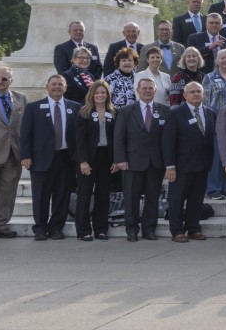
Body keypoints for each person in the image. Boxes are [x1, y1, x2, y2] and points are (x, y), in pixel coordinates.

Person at [19, 75, 79, 241]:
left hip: (66, 158)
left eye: (60, 84)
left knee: (62, 196)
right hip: (41, 159)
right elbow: (25, 134)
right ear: (47, 87)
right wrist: (25, 155)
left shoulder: (75, 107)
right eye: (54, 84)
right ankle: (40, 228)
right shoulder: (34, 107)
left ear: (65, 88)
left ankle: (56, 228)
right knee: (41, 196)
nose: (57, 87)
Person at [114, 77, 167, 241]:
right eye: (144, 88)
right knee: (131, 198)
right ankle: (131, 229)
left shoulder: (164, 110)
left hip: (155, 162)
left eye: (150, 88)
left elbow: (166, 138)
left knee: (152, 197)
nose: (147, 91)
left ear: (155, 91)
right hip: (132, 161)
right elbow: (118, 137)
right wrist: (120, 159)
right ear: (137, 91)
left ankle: (149, 229)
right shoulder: (126, 111)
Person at [162, 82, 215, 242]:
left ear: (203, 94)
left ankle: (194, 228)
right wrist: (170, 165)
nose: (196, 94)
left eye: (198, 91)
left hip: (202, 165)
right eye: (192, 92)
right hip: (181, 165)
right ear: (185, 95)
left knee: (196, 199)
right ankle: (177, 231)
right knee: (177, 199)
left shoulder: (210, 113)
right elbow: (168, 141)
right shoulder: (176, 113)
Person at [73, 81, 117, 241]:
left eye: (103, 93)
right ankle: (83, 230)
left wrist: (116, 160)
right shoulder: (84, 112)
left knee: (103, 195)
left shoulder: (113, 112)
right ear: (92, 94)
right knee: (84, 194)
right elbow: (80, 139)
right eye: (97, 93)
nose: (100, 95)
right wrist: (83, 161)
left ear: (107, 95)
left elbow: (117, 138)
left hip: (107, 158)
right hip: (88, 158)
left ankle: (101, 229)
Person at [202, 50, 226, 200]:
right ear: (217, 61)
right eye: (222, 58)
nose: (225, 60)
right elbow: (205, 101)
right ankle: (214, 189)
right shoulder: (209, 77)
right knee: (217, 157)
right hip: (216, 122)